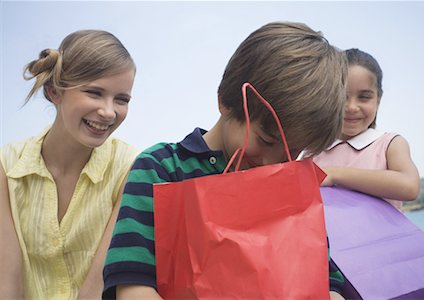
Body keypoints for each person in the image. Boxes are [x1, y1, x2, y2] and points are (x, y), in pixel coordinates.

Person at [103, 21, 347, 299]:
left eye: (294, 151)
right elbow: (132, 285)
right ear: (225, 103)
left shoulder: (292, 187)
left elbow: (327, 282)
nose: (274, 162)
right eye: (267, 140)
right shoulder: (161, 169)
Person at [0, 30, 139, 300]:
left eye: (121, 99)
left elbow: (97, 287)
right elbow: (7, 283)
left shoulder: (130, 168)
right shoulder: (6, 167)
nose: (109, 111)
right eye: (94, 93)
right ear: (54, 92)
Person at [313, 48, 420, 210]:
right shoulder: (313, 151)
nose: (351, 107)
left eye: (364, 97)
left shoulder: (389, 144)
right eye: (342, 96)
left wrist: (334, 174)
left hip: (383, 235)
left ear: (378, 100)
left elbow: (409, 186)